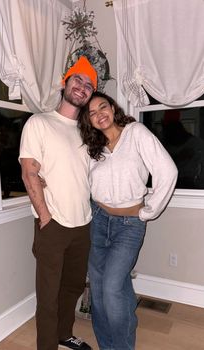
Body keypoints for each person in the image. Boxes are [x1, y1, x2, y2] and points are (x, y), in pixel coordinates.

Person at [78, 91, 178, 350]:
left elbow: (167, 171)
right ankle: (107, 345)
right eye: (92, 113)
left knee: (111, 288)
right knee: (99, 291)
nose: (100, 114)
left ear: (113, 107)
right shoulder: (93, 148)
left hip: (129, 226)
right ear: (89, 121)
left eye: (103, 107)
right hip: (98, 221)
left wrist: (147, 212)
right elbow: (80, 179)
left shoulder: (136, 133)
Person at [19, 56, 97, 350]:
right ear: (65, 83)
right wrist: (45, 217)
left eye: (89, 85)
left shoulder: (86, 133)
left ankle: (64, 334)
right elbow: (29, 172)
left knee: (73, 287)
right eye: (78, 80)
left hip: (83, 224)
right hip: (53, 224)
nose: (82, 87)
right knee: (48, 295)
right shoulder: (39, 122)